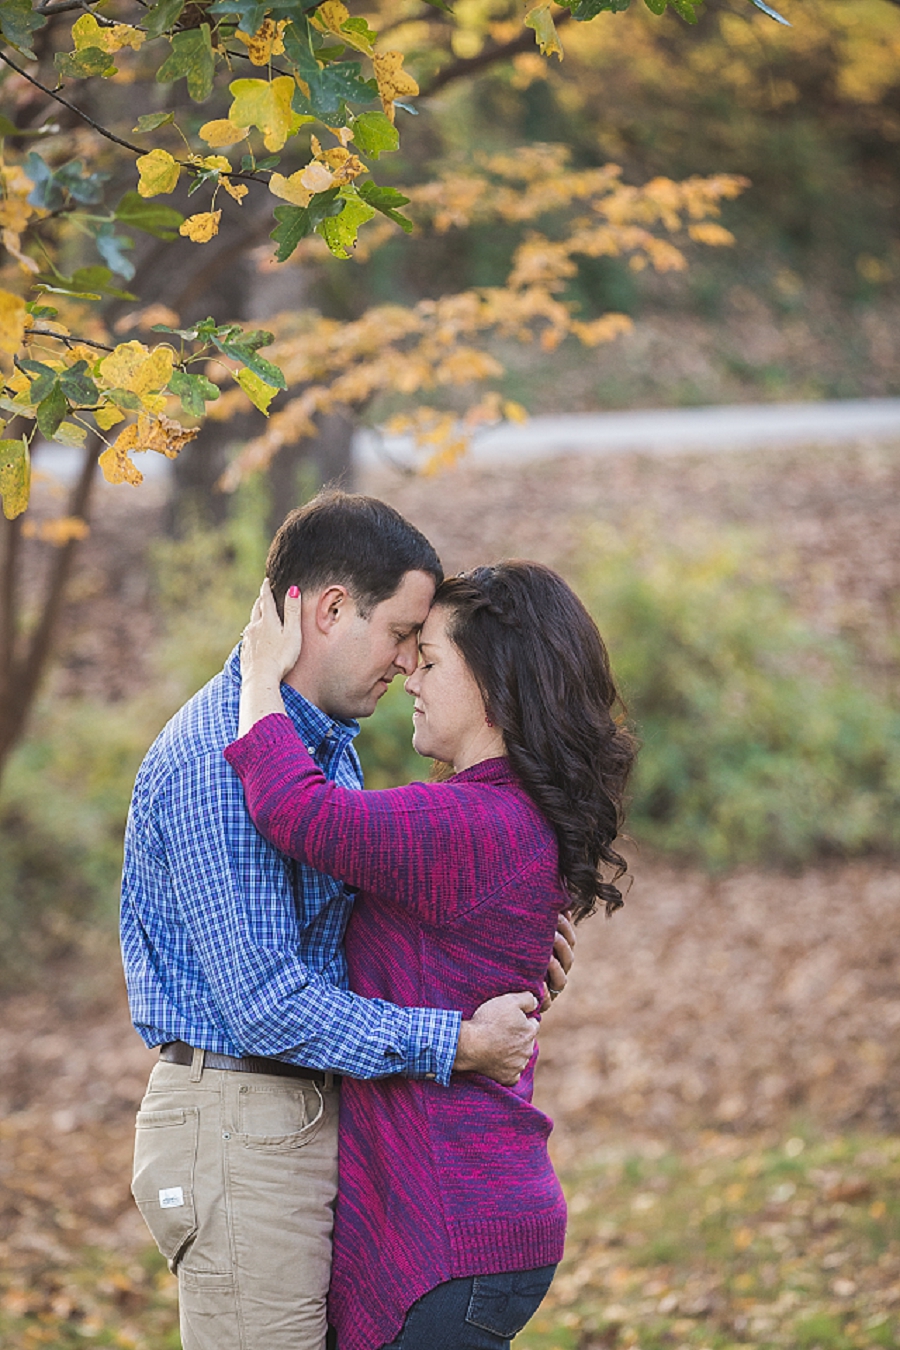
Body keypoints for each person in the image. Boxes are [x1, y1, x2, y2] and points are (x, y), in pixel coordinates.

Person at [122, 491, 573, 1350]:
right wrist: (457, 1040)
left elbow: (358, 917)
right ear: (331, 610)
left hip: (301, 1112)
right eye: (404, 633)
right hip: (239, 1117)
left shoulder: (322, 740)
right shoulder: (225, 758)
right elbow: (265, 1001)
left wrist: (495, 937)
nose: (409, 663)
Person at [225, 559, 636, 1350]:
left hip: (456, 1221)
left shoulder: (469, 825)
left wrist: (259, 675)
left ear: (498, 686)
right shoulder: (500, 819)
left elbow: (293, 810)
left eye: (434, 656)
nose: (409, 668)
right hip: (472, 1214)